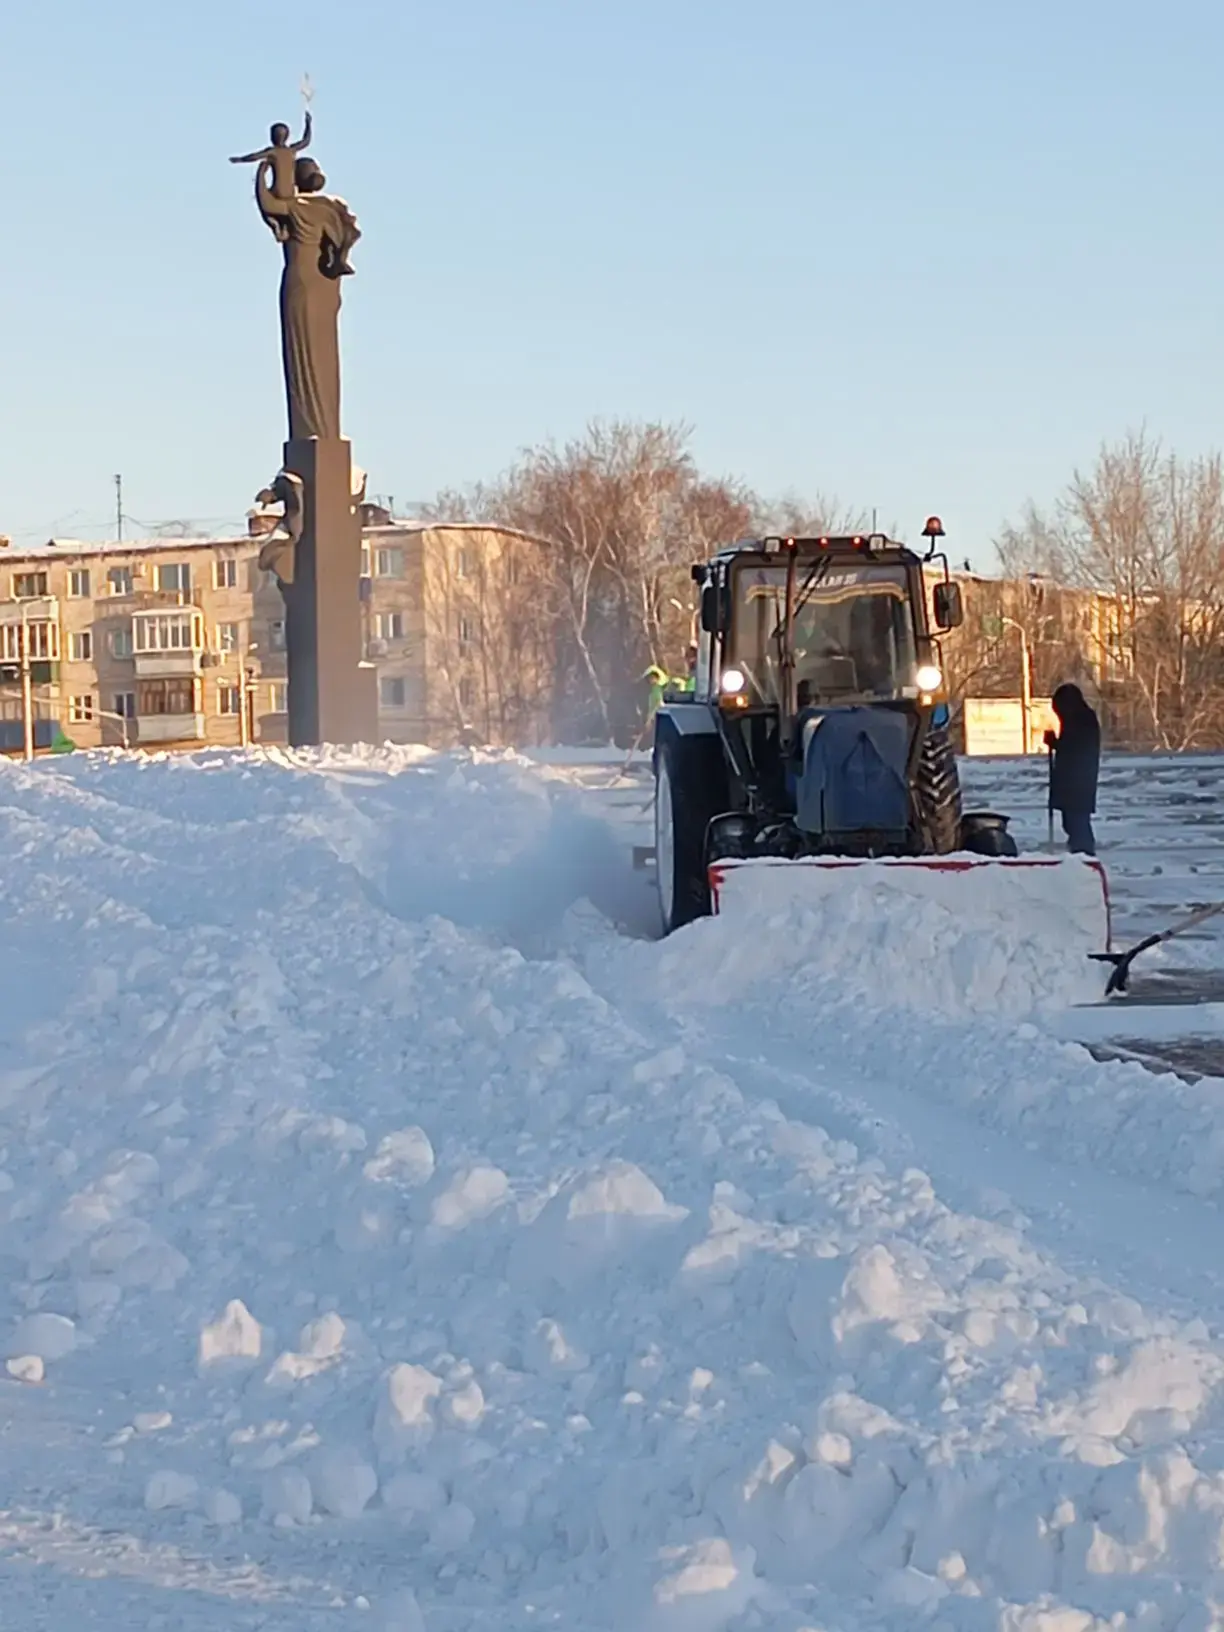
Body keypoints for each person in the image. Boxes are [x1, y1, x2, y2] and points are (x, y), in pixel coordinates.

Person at [1043, 682, 1100, 855]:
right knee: (1072, 823)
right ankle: (1079, 854)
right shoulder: (1076, 719)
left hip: (1078, 784)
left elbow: (1075, 749)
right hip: (1073, 784)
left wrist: (1055, 743)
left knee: (1077, 823)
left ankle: (1084, 856)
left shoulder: (1082, 721)